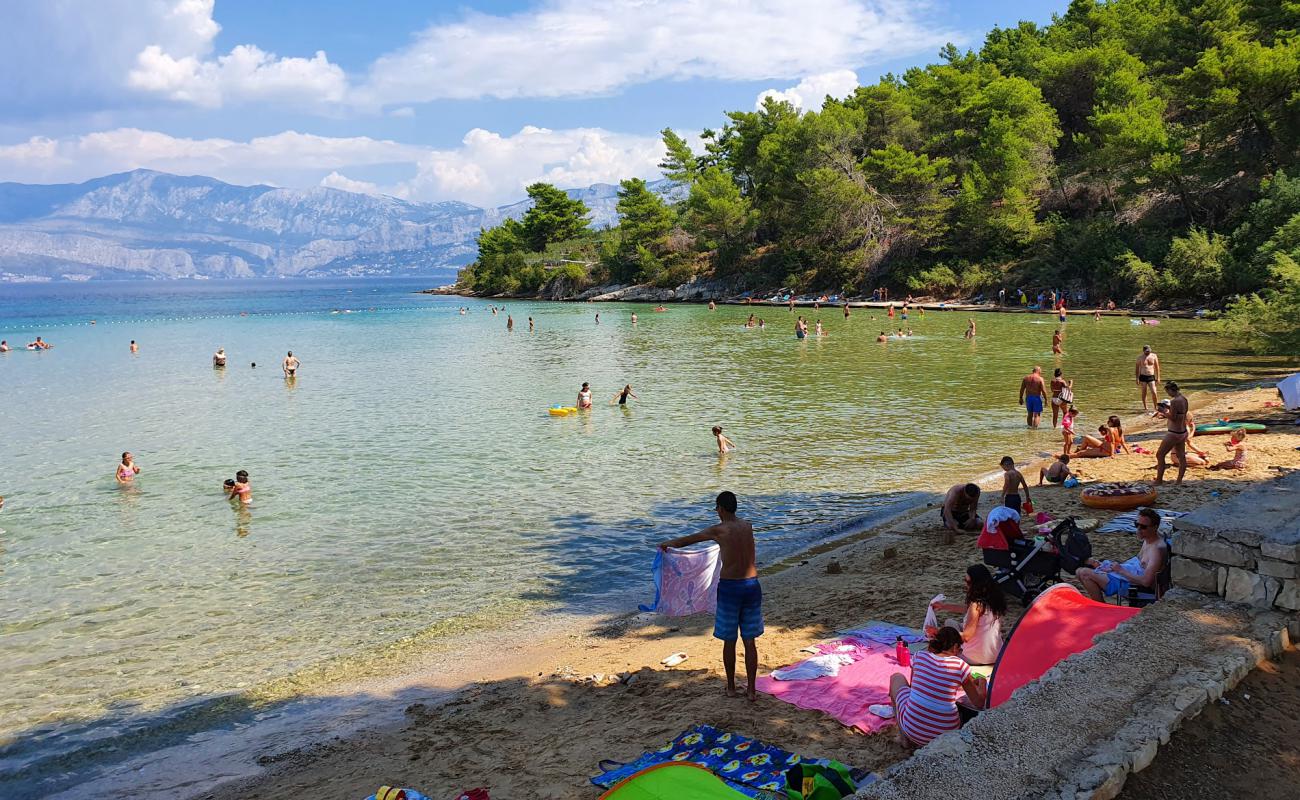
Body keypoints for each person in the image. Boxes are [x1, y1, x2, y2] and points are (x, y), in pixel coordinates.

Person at [659, 491, 761, 700]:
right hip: (752, 586)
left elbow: (690, 540)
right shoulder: (747, 526)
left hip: (730, 589)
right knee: (750, 640)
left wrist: (666, 544)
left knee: (730, 641)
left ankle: (731, 688)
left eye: (717, 508)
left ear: (721, 508)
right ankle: (751, 690)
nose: (716, 512)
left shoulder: (719, 530)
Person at [874, 626, 987, 745]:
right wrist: (983, 681)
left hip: (912, 730)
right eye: (960, 649)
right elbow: (979, 703)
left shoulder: (919, 656)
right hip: (945, 734)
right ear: (954, 647)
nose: (960, 653)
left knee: (896, 677)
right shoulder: (961, 666)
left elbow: (914, 688)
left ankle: (903, 738)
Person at [1076, 507, 1168, 601]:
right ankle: (1101, 607)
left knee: (1084, 573)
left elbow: (1146, 582)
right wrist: (1114, 568)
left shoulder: (1156, 550)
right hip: (1128, 576)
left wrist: (1120, 570)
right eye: (1137, 524)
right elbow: (1138, 561)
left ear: (1155, 527)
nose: (1138, 529)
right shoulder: (1148, 539)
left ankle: (1101, 609)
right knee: (1080, 570)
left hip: (1136, 586)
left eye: (1143, 527)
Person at [927, 565, 1006, 665]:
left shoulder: (976, 606)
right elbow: (968, 609)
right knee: (950, 622)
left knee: (945, 635)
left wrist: (938, 632)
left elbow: (966, 636)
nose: (966, 585)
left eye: (968, 582)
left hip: (976, 657)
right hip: (996, 654)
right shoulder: (993, 600)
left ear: (976, 584)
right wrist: (943, 606)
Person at [1154, 381, 1189, 485]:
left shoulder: (1174, 401)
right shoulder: (1184, 399)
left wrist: (1163, 411)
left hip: (1174, 432)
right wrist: (1168, 409)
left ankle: (1159, 480)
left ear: (1170, 390)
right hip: (1182, 431)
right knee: (1181, 456)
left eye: (1167, 392)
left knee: (1160, 455)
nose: (1168, 394)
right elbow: (1180, 413)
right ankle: (1179, 481)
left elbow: (1173, 417)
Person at [1135, 345, 1161, 410]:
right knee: (1144, 392)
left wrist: (1158, 377)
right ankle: (1145, 408)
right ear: (1143, 351)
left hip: (1151, 376)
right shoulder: (1140, 358)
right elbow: (1137, 369)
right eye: (1147, 351)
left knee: (1154, 391)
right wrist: (1137, 378)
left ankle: (1155, 407)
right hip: (1143, 376)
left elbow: (1157, 367)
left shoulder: (1154, 356)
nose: (1148, 352)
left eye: (1149, 351)